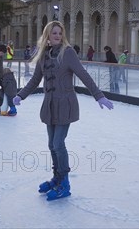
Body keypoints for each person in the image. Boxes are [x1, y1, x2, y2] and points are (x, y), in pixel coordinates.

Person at [12, 21, 113, 201]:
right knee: (51, 144)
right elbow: (35, 80)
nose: (57, 36)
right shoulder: (44, 55)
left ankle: (64, 183)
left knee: (58, 143)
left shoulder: (68, 53)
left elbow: (83, 74)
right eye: (54, 33)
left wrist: (99, 96)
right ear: (47, 36)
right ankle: (57, 177)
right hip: (50, 105)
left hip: (65, 104)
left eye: (60, 33)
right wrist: (21, 95)